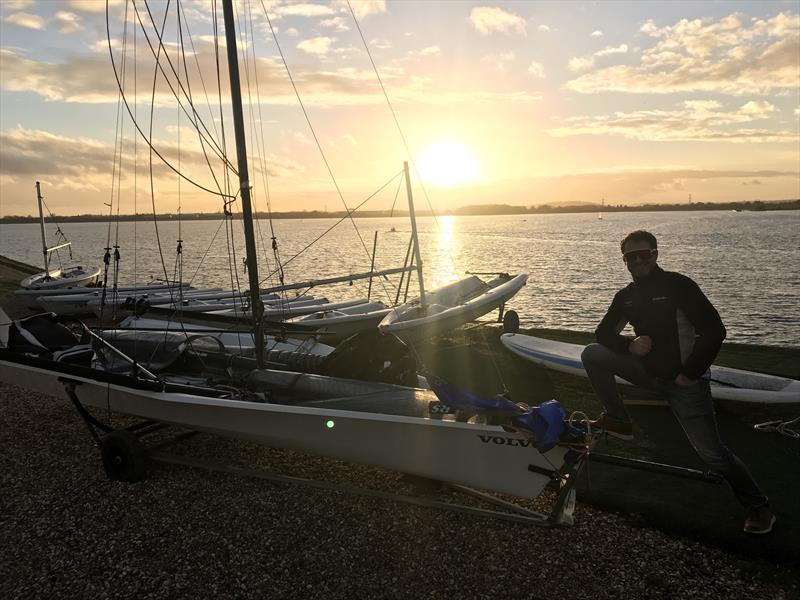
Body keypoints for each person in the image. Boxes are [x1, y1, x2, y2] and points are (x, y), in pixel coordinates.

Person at [581, 229, 775, 535]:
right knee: (592, 354)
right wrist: (628, 344)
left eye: (645, 254)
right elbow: (603, 334)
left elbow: (714, 331)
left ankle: (758, 506)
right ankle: (619, 420)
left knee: (712, 454)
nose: (639, 260)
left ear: (656, 254)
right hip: (648, 374)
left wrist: (691, 374)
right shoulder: (626, 297)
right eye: (631, 257)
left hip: (686, 384)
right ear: (624, 261)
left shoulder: (679, 286)